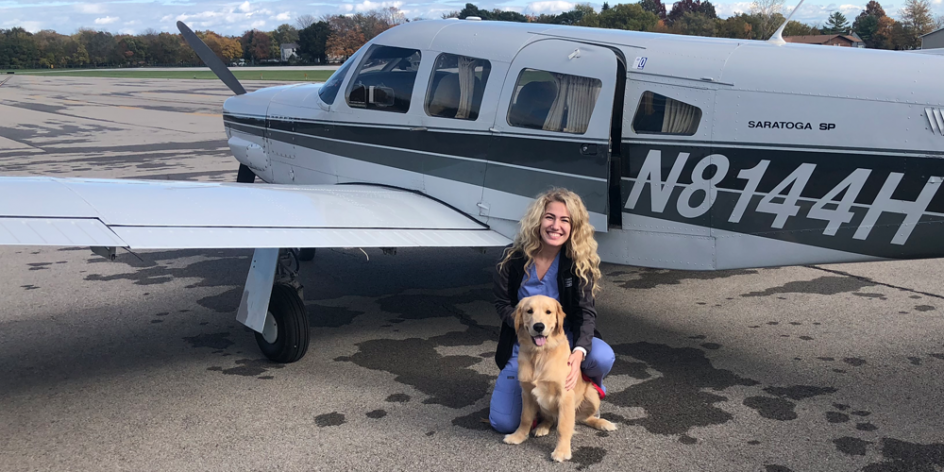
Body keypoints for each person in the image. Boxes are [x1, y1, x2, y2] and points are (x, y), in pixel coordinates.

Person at [489, 188, 616, 434]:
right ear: (538, 220)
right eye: (550, 217)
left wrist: (578, 352)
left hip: (564, 341)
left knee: (601, 357)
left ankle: (583, 393)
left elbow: (585, 313)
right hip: (524, 346)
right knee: (503, 423)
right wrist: (521, 323)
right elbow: (502, 303)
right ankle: (542, 412)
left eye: (565, 220)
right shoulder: (511, 257)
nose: (556, 225)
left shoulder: (578, 262)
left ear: (574, 227)